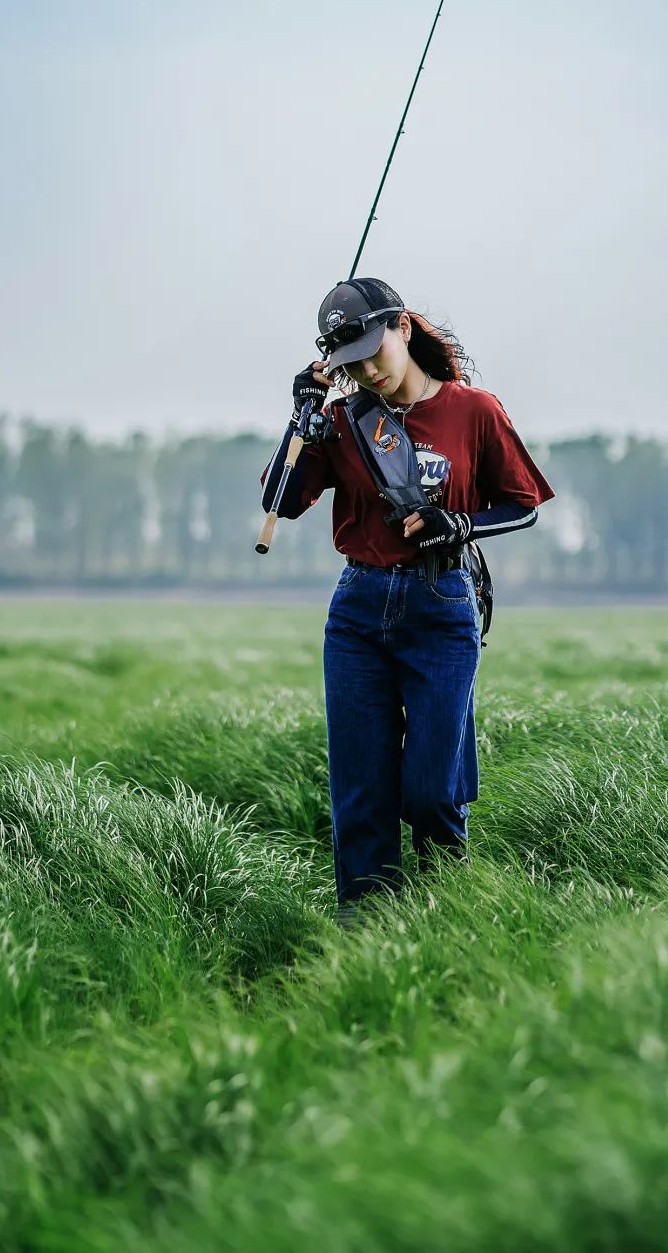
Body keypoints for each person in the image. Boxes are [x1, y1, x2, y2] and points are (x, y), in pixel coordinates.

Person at [260, 277, 554, 921]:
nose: (368, 371)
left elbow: (523, 504)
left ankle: (448, 919)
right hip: (357, 613)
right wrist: (299, 421)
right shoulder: (339, 420)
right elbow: (279, 502)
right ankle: (366, 934)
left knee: (430, 792)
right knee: (361, 794)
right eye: (351, 364)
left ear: (402, 329)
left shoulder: (474, 411)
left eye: (374, 352)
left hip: (441, 604)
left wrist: (464, 524)